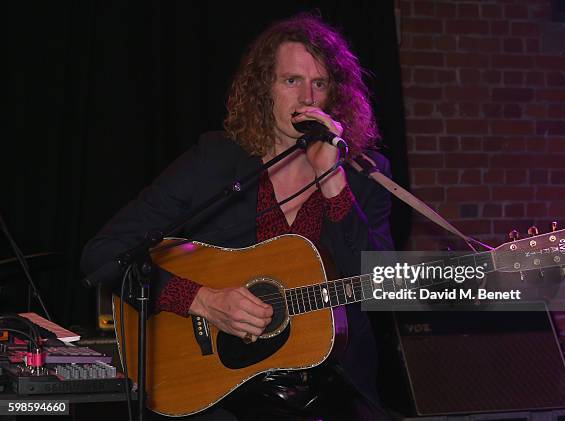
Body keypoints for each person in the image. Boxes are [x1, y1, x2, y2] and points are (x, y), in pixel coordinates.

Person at [81, 13, 393, 420]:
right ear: (264, 90)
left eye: (320, 83)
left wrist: (332, 181)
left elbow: (381, 284)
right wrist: (204, 301)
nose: (308, 99)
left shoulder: (366, 175)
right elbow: (104, 254)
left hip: (334, 385)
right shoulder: (215, 161)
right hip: (224, 387)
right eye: (291, 81)